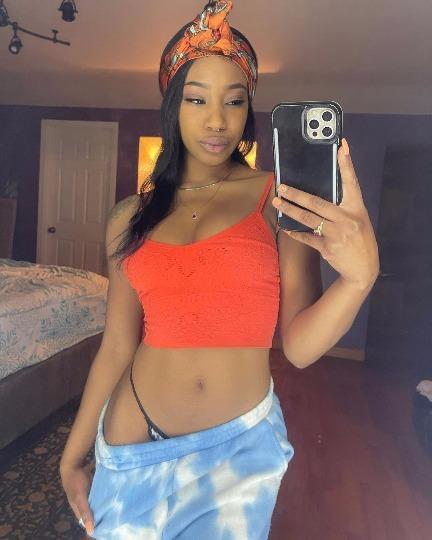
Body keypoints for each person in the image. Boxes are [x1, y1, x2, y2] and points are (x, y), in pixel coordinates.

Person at [60, 1, 380, 539]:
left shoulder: (280, 201)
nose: (216, 120)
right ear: (172, 106)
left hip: (236, 457)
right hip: (131, 444)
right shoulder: (128, 218)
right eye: (196, 99)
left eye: (234, 101)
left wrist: (359, 278)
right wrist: (72, 456)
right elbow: (117, 345)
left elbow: (300, 347)